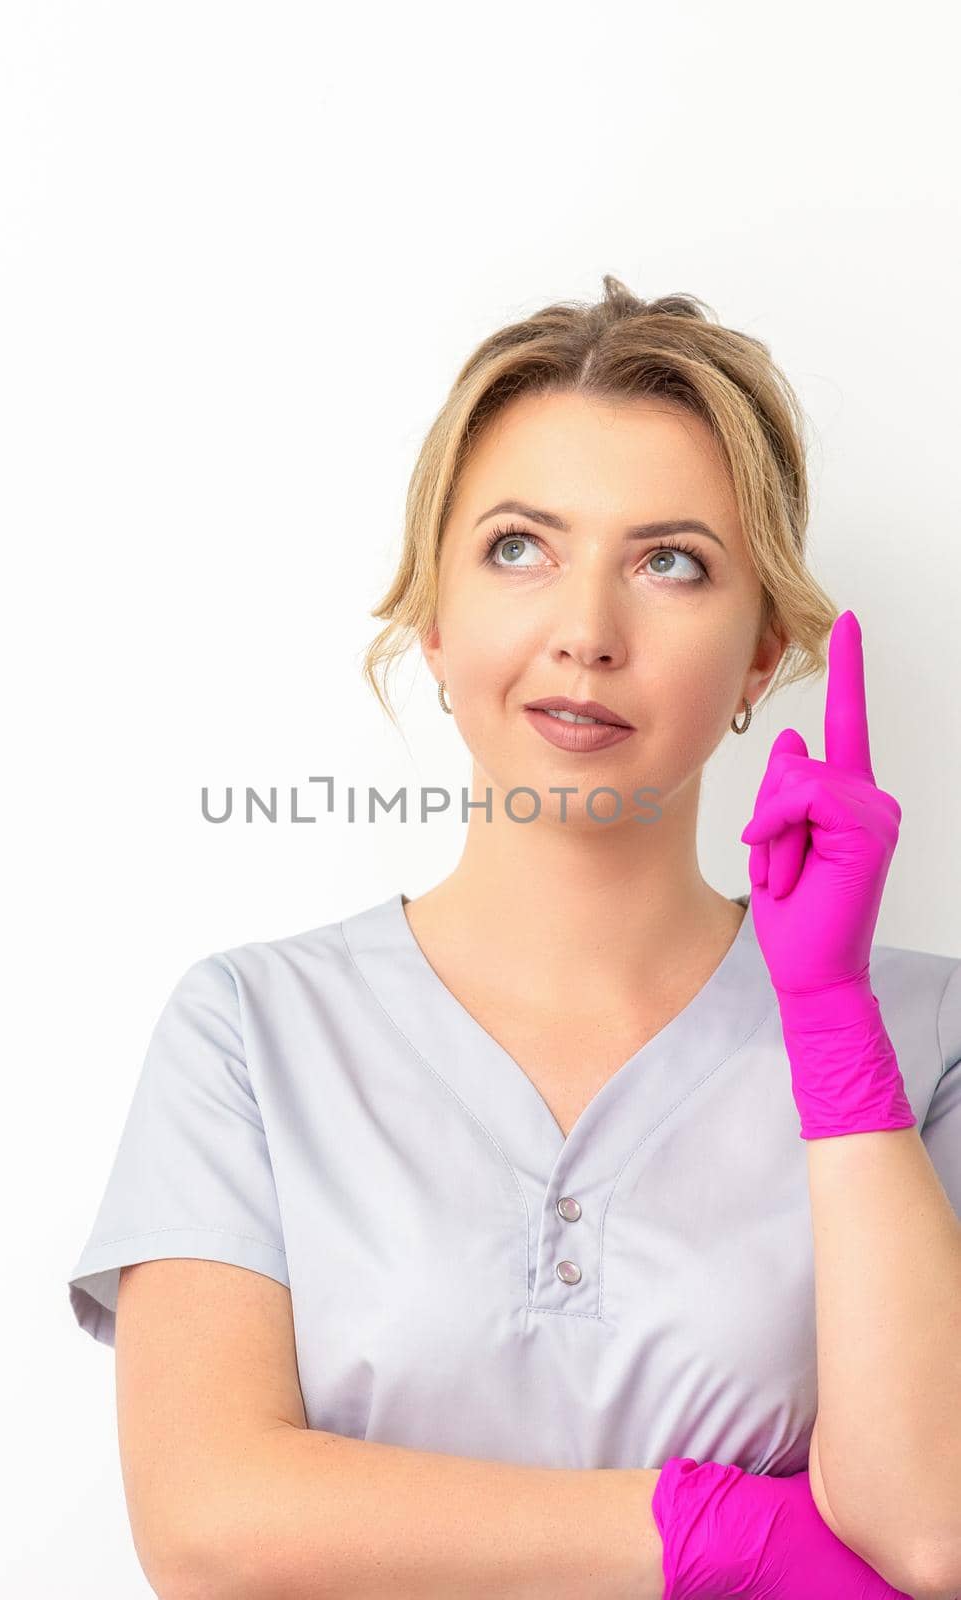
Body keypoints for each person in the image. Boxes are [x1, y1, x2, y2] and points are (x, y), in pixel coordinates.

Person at [67, 276, 961, 1599]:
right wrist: (700, 1533)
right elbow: (210, 1524)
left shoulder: (927, 1043)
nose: (585, 634)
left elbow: (932, 1530)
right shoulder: (250, 1032)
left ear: (764, 648)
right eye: (518, 549)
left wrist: (829, 1025)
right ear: (436, 619)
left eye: (671, 563)